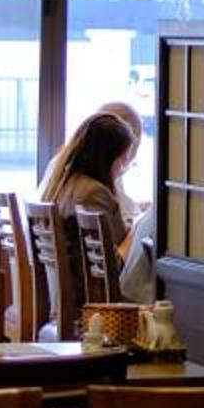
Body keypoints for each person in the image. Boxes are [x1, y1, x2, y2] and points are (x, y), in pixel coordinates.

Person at [41, 106, 149, 298]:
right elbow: (118, 260)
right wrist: (140, 225)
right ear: (108, 157)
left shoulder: (65, 184)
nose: (122, 169)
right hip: (92, 298)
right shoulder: (94, 193)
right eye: (122, 160)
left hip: (63, 293)